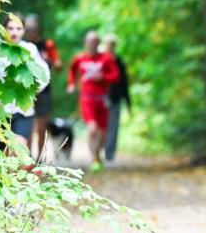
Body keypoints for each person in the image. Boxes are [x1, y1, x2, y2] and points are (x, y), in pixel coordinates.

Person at [0, 13, 51, 153]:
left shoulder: (30, 50)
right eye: (10, 28)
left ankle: (18, 171)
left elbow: (43, 73)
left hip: (23, 111)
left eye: (18, 28)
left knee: (19, 148)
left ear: (23, 30)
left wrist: (34, 90)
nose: (14, 32)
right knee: (2, 155)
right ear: (4, 29)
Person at [67, 29, 120, 171]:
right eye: (91, 41)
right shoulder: (79, 58)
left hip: (102, 99)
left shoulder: (106, 58)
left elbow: (115, 75)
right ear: (86, 42)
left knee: (102, 133)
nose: (93, 44)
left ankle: (97, 155)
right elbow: (72, 71)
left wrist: (103, 78)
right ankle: (93, 158)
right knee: (92, 129)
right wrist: (72, 84)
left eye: (96, 41)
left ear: (99, 43)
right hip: (87, 99)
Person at [24, 14, 63, 161]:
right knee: (26, 126)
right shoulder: (23, 45)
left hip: (44, 91)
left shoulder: (47, 44)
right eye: (28, 29)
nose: (31, 32)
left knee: (41, 128)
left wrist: (48, 60)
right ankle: (27, 159)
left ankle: (40, 159)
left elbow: (59, 66)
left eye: (34, 29)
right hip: (26, 91)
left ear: (39, 29)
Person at [99, 34, 131, 163]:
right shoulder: (99, 60)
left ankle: (109, 154)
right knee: (101, 126)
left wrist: (128, 102)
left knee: (113, 127)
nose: (110, 47)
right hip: (100, 98)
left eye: (112, 44)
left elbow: (124, 83)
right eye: (108, 44)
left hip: (115, 98)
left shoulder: (119, 62)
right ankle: (97, 151)